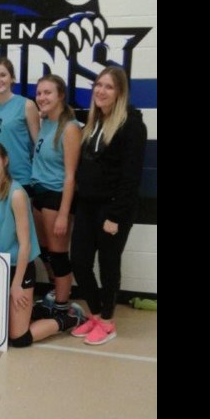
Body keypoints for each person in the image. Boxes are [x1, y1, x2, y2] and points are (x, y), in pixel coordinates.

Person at [69, 66, 147, 345]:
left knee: (109, 264)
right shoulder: (94, 121)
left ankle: (107, 321)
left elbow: (132, 176)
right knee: (79, 260)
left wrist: (115, 215)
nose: (101, 91)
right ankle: (95, 314)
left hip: (114, 209)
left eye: (108, 87)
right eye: (98, 85)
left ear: (120, 92)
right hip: (88, 207)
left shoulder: (132, 124)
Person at [0, 142, 83, 347]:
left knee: (18, 338)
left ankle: (70, 318)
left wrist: (16, 285)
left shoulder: (16, 194)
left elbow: (25, 245)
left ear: (5, 161)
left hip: (20, 268)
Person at [28, 74, 82, 320]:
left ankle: (63, 308)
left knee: (59, 255)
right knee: (45, 251)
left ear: (61, 95)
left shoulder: (70, 128)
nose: (42, 97)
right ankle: (54, 293)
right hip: (38, 193)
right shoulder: (46, 121)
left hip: (56, 197)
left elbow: (71, 176)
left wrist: (63, 213)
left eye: (48, 92)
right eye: (39, 93)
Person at [0, 57, 39, 191]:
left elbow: (38, 144)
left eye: (3, 75)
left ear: (12, 78)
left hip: (20, 175)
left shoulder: (27, 105)